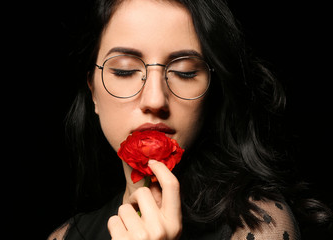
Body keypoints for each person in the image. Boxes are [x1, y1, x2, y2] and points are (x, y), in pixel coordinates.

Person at [48, 0, 332, 239]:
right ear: (93, 92)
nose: (156, 100)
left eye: (184, 72)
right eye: (124, 70)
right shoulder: (66, 235)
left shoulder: (258, 224)